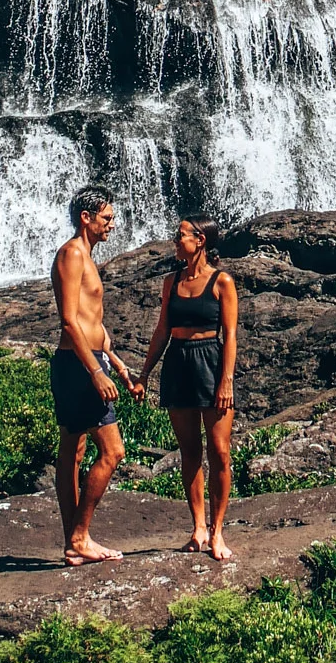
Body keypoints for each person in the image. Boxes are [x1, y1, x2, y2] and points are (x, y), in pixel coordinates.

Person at [49, 184, 144, 566]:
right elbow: (69, 320)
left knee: (74, 451)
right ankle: (80, 536)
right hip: (79, 365)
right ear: (86, 218)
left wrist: (118, 367)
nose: (113, 225)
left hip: (84, 362)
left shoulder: (85, 256)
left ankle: (73, 542)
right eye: (107, 218)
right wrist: (95, 373)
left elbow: (94, 325)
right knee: (113, 450)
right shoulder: (72, 254)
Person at [137, 214, 239, 561]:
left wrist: (226, 380)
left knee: (220, 451)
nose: (176, 241)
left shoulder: (222, 282)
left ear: (201, 241)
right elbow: (162, 330)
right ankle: (198, 527)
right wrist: (145, 373)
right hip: (178, 363)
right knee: (190, 452)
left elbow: (230, 336)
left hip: (210, 361)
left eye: (181, 236)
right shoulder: (172, 281)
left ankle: (218, 531)